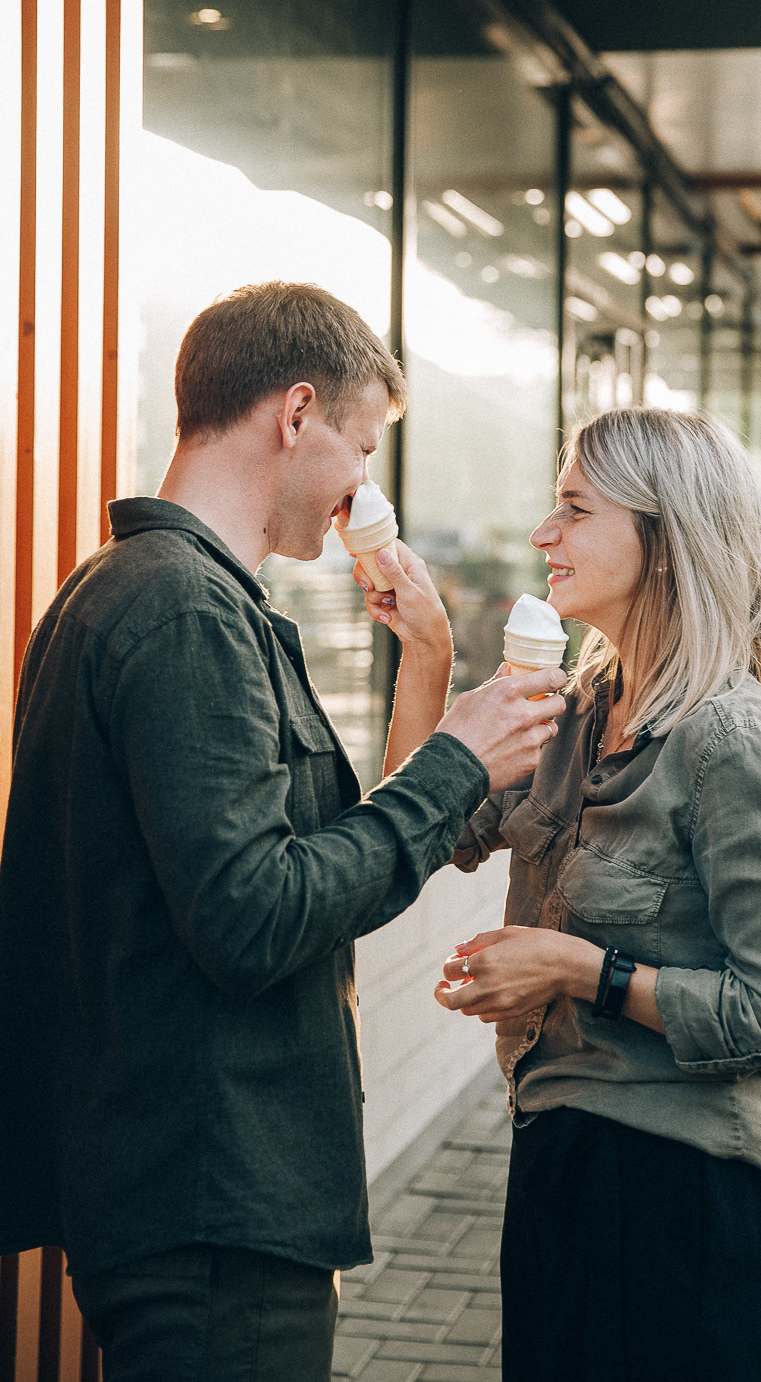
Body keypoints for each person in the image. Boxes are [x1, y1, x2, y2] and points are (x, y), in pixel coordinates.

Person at [0, 282, 565, 1382]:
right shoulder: (184, 612)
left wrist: (431, 672)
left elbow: (309, 868)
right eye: (361, 445)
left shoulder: (129, 592)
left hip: (184, 1191)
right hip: (213, 1202)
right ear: (294, 413)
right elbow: (254, 914)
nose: (365, 486)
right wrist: (458, 762)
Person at [435, 407, 761, 1382]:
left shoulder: (730, 738)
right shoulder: (579, 709)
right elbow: (442, 827)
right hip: (558, 1168)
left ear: (661, 539)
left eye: (571, 508)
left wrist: (578, 967)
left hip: (677, 1204)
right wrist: (419, 645)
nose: (542, 534)